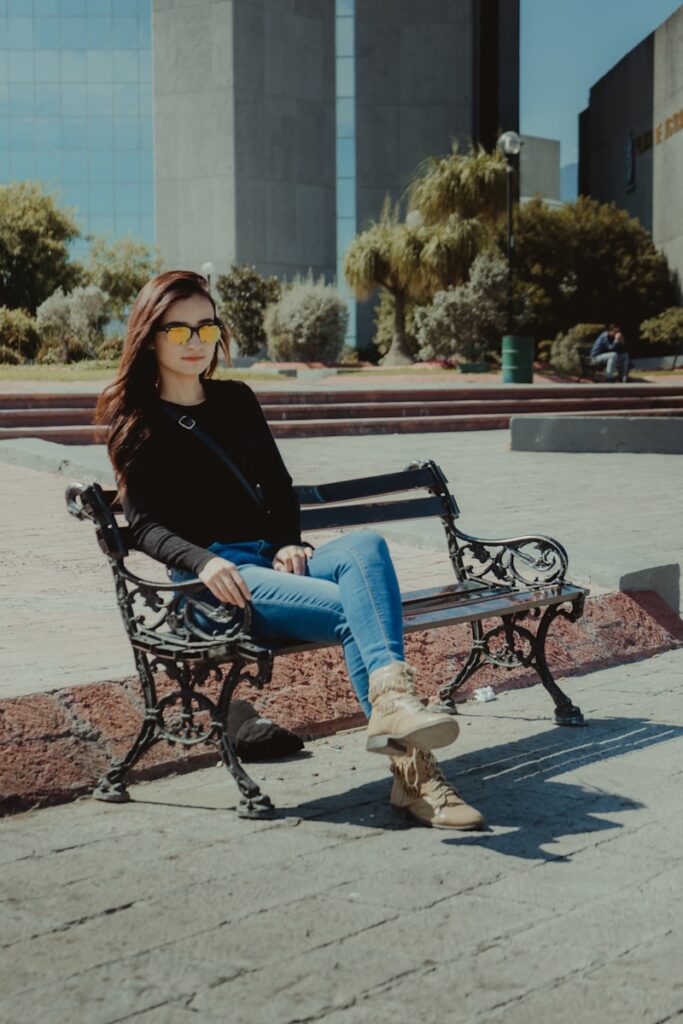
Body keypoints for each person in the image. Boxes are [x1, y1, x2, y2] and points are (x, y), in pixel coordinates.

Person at [96, 270, 485, 831]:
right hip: (214, 588)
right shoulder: (139, 421)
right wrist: (205, 561)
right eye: (178, 330)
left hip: (266, 562)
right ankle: (418, 780)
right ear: (151, 336)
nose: (195, 341)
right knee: (359, 614)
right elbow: (147, 526)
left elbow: (277, 488)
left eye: (205, 326)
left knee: (365, 547)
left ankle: (393, 703)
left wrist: (286, 544)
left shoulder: (236, 400)